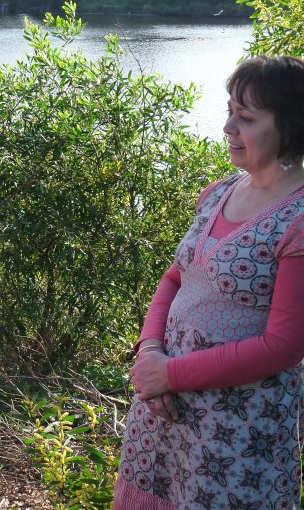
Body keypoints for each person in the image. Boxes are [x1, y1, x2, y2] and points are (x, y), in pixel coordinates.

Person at [113, 55, 304, 510]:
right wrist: (151, 356)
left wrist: (169, 375)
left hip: (235, 426)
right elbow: (176, 277)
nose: (228, 128)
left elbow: (284, 345)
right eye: (229, 112)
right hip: (163, 406)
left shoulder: (298, 219)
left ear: (290, 126)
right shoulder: (219, 192)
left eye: (246, 118)